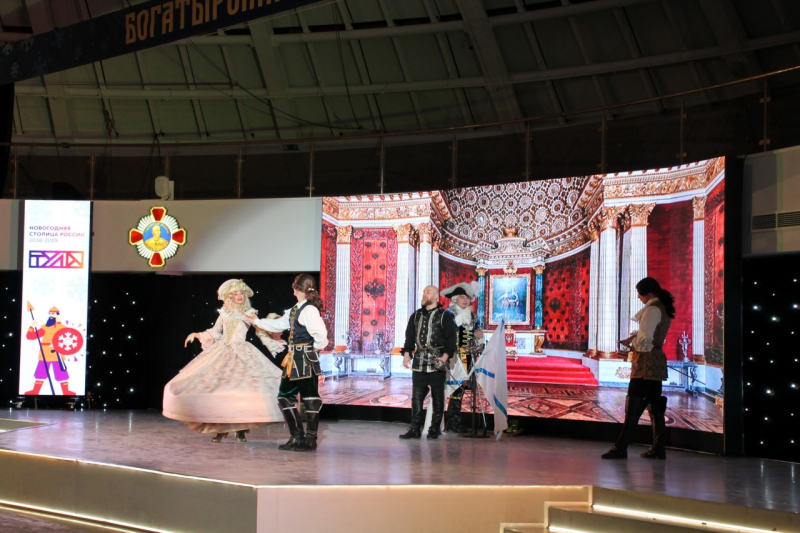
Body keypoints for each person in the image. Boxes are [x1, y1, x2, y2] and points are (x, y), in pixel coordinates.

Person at [163, 279, 283, 443]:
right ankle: (221, 428)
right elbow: (215, 332)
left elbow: (260, 328)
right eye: (236, 294)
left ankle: (241, 428)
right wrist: (196, 334)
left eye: (241, 293)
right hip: (223, 351)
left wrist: (274, 325)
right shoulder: (225, 312)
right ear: (230, 296)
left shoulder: (249, 312)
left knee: (242, 391)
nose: (239, 296)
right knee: (220, 390)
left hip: (242, 353)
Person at [248, 274, 328, 452]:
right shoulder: (296, 309)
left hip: (305, 359)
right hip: (293, 359)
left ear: (297, 289)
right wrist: (256, 321)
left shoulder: (309, 310)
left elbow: (321, 336)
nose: (293, 292)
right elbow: (279, 325)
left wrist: (311, 350)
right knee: (285, 396)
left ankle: (310, 440)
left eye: (294, 289)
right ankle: (297, 437)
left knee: (310, 398)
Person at [602, 277, 675, 460]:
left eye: (639, 294)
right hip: (656, 361)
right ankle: (658, 448)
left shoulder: (652, 309)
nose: (639, 297)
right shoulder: (662, 307)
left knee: (634, 405)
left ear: (648, 293)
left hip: (645, 362)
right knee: (655, 405)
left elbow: (645, 339)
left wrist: (633, 343)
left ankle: (621, 447)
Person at [399, 285, 457, 440]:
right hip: (419, 360)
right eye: (424, 292)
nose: (424, 294)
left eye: (428, 292)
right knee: (417, 397)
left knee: (437, 397)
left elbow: (451, 339)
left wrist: (445, 357)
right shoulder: (416, 315)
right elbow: (409, 337)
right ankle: (415, 429)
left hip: (437, 361)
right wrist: (406, 354)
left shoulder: (444, 316)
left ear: (437, 296)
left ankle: (433, 429)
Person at [441, 282, 484, 433]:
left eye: (467, 297)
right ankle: (447, 421)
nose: (465, 300)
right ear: (455, 298)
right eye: (462, 297)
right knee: (452, 388)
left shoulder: (472, 316)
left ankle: (454, 421)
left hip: (467, 357)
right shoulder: (448, 314)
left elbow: (476, 332)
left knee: (460, 389)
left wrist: (479, 335)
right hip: (452, 357)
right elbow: (448, 330)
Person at [24, 306, 75, 395]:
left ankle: (66, 391)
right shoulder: (45, 327)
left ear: (57, 315)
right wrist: (32, 326)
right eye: (50, 314)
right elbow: (30, 336)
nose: (51, 315)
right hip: (45, 353)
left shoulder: (62, 327)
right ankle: (35, 391)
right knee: (40, 373)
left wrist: (56, 345)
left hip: (57, 354)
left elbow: (67, 339)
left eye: (53, 314)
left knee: (61, 373)